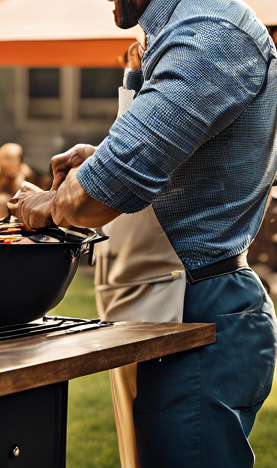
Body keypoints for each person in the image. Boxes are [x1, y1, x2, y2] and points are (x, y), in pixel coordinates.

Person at [9, 0, 277, 468]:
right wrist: (99, 156)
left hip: (199, 315)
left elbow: (106, 191)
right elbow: (146, 159)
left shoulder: (209, 36)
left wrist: (46, 205)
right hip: (164, 307)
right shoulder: (173, 33)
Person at [91, 40, 185, 468]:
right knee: (136, 446)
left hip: (162, 295)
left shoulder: (187, 95)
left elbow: (129, 174)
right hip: (120, 295)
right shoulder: (137, 99)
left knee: (167, 443)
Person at [0, 143, 35, 220]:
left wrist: (17, 176)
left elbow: (23, 192)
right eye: (7, 158)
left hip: (17, 204)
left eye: (13, 158)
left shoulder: (24, 170)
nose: (9, 163)